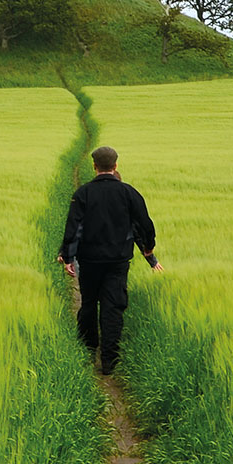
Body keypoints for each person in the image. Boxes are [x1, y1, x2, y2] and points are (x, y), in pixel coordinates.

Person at [57, 146, 161, 375]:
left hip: (89, 261)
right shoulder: (129, 193)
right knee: (113, 308)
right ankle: (109, 362)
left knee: (88, 304)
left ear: (94, 166)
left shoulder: (83, 193)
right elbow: (145, 224)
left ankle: (87, 352)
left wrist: (68, 256)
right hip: (118, 261)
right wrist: (148, 248)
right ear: (115, 166)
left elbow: (73, 227)